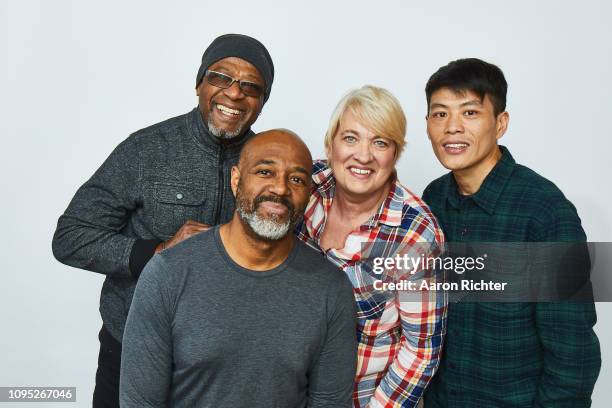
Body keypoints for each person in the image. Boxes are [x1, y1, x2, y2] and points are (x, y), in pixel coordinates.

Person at [51, 33, 274, 407]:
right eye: (220, 77)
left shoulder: (269, 162)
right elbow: (70, 237)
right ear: (199, 83)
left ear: (262, 102)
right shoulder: (147, 149)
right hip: (131, 345)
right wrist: (156, 252)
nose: (234, 94)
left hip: (222, 360)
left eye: (251, 86)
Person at [119, 129, 357, 408]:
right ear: (236, 180)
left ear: (307, 195)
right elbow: (139, 402)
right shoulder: (167, 273)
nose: (280, 188)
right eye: (265, 172)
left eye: (296, 179)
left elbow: (329, 402)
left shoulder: (331, 288)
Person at [421, 58, 601, 407]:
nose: (452, 127)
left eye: (470, 112)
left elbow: (573, 354)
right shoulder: (433, 200)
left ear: (500, 123)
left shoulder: (545, 212)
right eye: (440, 114)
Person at [296, 85, 447, 408]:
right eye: (351, 138)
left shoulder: (415, 234)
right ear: (330, 143)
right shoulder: (305, 185)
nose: (363, 155)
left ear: (395, 154)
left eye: (380, 142)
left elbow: (420, 351)